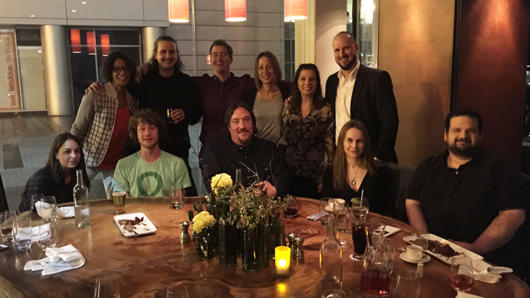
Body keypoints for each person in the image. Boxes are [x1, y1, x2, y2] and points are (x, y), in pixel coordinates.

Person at [405, 110, 527, 275]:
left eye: (471, 131)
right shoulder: (428, 165)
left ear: (480, 136)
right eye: (457, 130)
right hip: (428, 257)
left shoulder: (500, 169)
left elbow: (514, 215)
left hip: (480, 263)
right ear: (445, 135)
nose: (463, 135)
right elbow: (412, 202)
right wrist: (426, 240)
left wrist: (474, 249)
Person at [87, 36, 201, 196]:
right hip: (146, 145)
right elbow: (120, 84)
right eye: (163, 52)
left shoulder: (186, 82)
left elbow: (196, 114)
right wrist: (97, 85)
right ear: (155, 55)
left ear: (177, 55)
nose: (168, 56)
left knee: (184, 195)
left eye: (171, 52)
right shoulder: (144, 79)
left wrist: (185, 113)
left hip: (177, 147)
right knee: (144, 190)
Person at [325, 31, 399, 163]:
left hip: (370, 158)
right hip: (341, 159)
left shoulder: (377, 79)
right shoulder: (331, 82)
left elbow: (390, 123)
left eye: (346, 48)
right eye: (337, 50)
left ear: (356, 48)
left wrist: (377, 157)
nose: (341, 54)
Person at [71, 51, 136, 199]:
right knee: (78, 198)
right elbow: (78, 128)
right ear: (109, 72)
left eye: (125, 68)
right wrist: (71, 156)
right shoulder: (96, 94)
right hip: (90, 159)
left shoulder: (132, 100)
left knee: (118, 202)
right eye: (116, 69)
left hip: (115, 163)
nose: (122, 73)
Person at [201, 102, 288, 197]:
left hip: (266, 207)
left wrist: (275, 190)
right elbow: (212, 184)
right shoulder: (214, 150)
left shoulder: (269, 148)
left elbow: (283, 181)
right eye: (235, 121)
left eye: (246, 120)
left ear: (253, 123)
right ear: (229, 127)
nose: (242, 126)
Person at [279, 64, 334, 198]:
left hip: (314, 175)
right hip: (289, 172)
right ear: (297, 82)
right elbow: (283, 138)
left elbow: (329, 145)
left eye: (312, 79)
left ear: (317, 82)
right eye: (303, 79)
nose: (307, 83)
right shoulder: (289, 107)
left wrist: (324, 177)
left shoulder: (325, 110)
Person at [321, 120, 394, 217]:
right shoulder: (330, 172)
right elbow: (325, 207)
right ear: (342, 142)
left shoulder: (380, 172)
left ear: (366, 144)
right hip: (340, 226)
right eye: (349, 140)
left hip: (372, 227)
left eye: (359, 141)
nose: (354, 146)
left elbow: (387, 212)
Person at [194, 39, 256, 149]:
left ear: (231, 59)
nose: (219, 58)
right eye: (215, 55)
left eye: (223, 54)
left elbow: (266, 84)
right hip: (210, 147)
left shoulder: (243, 83)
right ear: (210, 59)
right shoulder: (203, 84)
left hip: (237, 147)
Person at [113, 109, 191, 197]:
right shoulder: (123, 165)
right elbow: (124, 205)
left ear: (159, 131)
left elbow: (178, 203)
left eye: (152, 128)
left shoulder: (177, 164)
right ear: (136, 133)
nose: (147, 133)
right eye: (142, 129)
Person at [19, 133, 90, 212]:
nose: (74, 156)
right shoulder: (40, 180)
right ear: (56, 154)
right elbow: (33, 212)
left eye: (77, 151)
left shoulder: (77, 176)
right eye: (67, 152)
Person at [252, 51, 292, 144]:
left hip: (280, 149)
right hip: (257, 150)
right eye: (261, 68)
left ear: (275, 69)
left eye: (269, 67)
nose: (265, 71)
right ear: (257, 72)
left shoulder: (286, 91)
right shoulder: (250, 95)